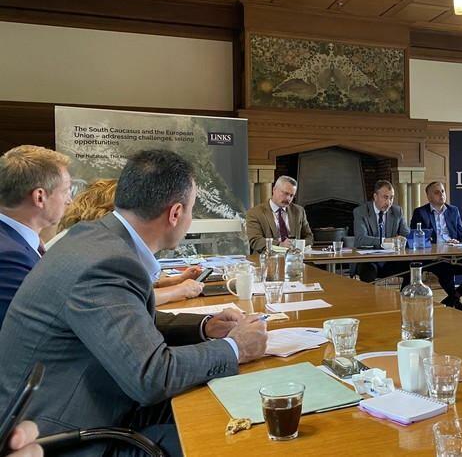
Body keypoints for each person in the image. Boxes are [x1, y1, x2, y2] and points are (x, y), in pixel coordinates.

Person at [0, 150, 268, 457]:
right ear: (175, 213)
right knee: (234, 439)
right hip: (67, 437)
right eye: (192, 209)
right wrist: (236, 348)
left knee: (223, 405)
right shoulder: (105, 262)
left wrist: (205, 327)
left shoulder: (95, 238)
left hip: (95, 402)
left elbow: (128, 322)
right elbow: (152, 377)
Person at [44, 178, 204, 306]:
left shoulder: (77, 238)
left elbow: (122, 290)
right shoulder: (94, 252)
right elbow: (119, 301)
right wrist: (179, 290)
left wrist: (170, 282)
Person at [0, 145, 72, 326]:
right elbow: (39, 325)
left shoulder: (15, 242)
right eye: (66, 191)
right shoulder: (9, 257)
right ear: (40, 197)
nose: (69, 200)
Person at [409, 181, 462, 311]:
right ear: (429, 197)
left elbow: (461, 236)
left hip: (455, 254)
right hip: (434, 257)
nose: (441, 195)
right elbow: (416, 238)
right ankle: (454, 299)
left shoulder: (453, 210)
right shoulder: (420, 213)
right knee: (446, 269)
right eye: (437, 192)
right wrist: (439, 245)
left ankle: (455, 296)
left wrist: (457, 241)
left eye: (443, 191)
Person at [352, 180, 410, 283]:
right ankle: (370, 294)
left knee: (412, 266)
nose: (389, 202)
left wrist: (408, 239)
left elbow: (407, 235)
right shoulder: (361, 211)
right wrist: (385, 241)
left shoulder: (397, 211)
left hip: (390, 260)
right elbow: (360, 239)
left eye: (391, 198)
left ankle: (405, 293)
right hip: (367, 260)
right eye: (385, 197)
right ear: (375, 196)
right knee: (368, 271)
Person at [245, 175, 314, 254]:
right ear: (274, 190)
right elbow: (255, 240)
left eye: (291, 195)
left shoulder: (299, 211)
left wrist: (298, 245)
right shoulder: (255, 213)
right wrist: (280, 245)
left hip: (294, 256)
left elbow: (309, 237)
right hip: (267, 257)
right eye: (285, 193)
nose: (288, 198)